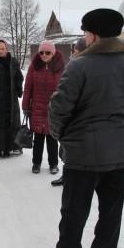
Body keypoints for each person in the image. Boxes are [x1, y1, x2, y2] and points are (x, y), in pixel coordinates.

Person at [44, 8, 124, 248]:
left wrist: (63, 137)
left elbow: (58, 109)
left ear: (92, 35)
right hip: (122, 151)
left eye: (85, 32)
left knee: (74, 210)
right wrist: (119, 128)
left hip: (83, 154)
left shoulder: (78, 66)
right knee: (112, 211)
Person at [23, 40, 65, 174]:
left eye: (48, 52)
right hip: (37, 108)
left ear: (53, 53)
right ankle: (36, 163)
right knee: (38, 139)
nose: (44, 55)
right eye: (42, 52)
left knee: (52, 139)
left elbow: (65, 88)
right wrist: (25, 105)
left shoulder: (60, 68)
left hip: (54, 109)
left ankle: (53, 164)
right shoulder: (34, 66)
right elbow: (28, 87)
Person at [51, 38, 87, 186]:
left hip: (78, 119)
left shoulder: (81, 68)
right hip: (70, 117)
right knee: (66, 151)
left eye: (76, 51)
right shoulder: (72, 66)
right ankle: (66, 176)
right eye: (74, 51)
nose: (73, 53)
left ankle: (74, 179)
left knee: (75, 152)